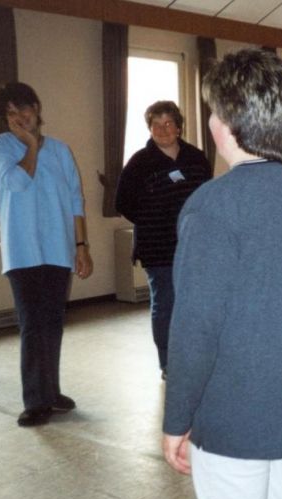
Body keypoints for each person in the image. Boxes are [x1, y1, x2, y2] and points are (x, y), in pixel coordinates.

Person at [161, 48, 282, 499]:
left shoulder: (213, 205)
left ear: (227, 125)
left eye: (213, 112)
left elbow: (196, 326)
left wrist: (177, 419)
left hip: (233, 409)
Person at [0, 82, 93, 427]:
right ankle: (35, 400)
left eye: (24, 109)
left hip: (58, 249)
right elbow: (18, 183)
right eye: (11, 113)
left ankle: (51, 392)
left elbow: (75, 200)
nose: (19, 117)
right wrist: (31, 145)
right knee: (33, 325)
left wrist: (81, 246)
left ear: (36, 108)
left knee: (53, 324)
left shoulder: (61, 151)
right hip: (22, 252)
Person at [115, 101, 212, 380]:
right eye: (156, 124)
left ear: (178, 127)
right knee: (165, 304)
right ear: (149, 129)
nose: (162, 129)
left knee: (193, 304)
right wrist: (152, 219)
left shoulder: (196, 157)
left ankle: (193, 357)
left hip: (193, 247)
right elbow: (122, 202)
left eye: (168, 123)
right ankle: (168, 363)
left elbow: (207, 197)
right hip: (157, 248)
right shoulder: (139, 163)